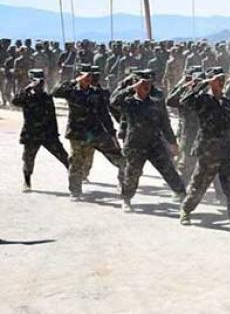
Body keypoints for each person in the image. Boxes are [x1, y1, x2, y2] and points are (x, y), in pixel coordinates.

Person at [178, 67, 230, 234]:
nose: (221, 82)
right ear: (210, 81)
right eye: (217, 79)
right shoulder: (202, 100)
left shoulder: (227, 103)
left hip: (228, 152)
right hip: (209, 151)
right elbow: (184, 101)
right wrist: (202, 84)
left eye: (223, 79)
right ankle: (186, 210)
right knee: (199, 184)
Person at [109, 69, 185, 212]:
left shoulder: (155, 102)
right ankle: (126, 199)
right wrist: (131, 87)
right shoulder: (129, 102)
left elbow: (165, 124)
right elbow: (113, 101)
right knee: (132, 174)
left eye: (149, 83)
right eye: (143, 83)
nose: (146, 86)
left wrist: (172, 142)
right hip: (135, 144)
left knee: (168, 170)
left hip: (155, 144)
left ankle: (182, 194)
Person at [51, 64, 124, 200]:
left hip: (95, 132)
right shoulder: (71, 91)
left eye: (90, 76)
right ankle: (75, 191)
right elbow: (55, 92)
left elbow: (104, 114)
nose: (89, 78)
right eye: (86, 76)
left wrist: (111, 133)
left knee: (113, 158)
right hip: (77, 133)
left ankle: (122, 186)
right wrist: (74, 81)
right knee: (76, 162)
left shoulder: (97, 93)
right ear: (79, 76)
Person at [13, 69, 69, 192]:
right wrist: (28, 88)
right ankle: (27, 182)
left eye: (41, 82)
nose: (40, 85)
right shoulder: (26, 96)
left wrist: (55, 134)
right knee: (28, 159)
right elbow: (15, 101)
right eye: (37, 82)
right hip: (32, 134)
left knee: (64, 156)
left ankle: (76, 179)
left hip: (48, 134)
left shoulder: (46, 97)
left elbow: (52, 117)